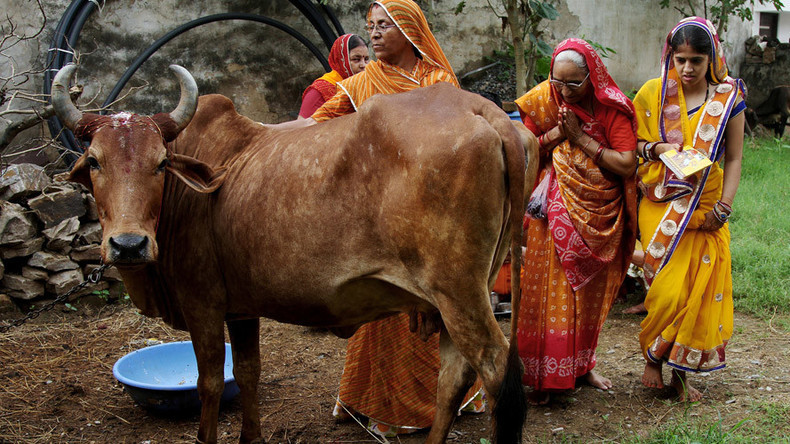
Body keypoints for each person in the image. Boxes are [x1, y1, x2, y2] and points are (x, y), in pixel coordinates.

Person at [283, 0, 482, 437]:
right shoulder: (364, 82)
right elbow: (316, 122)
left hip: (436, 208)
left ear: (409, 30)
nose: (372, 34)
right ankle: (388, 409)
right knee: (386, 310)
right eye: (369, 26)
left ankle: (447, 400)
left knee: (444, 304)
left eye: (384, 25)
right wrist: (263, 136)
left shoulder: (439, 81)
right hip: (384, 215)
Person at [514, 38, 638, 405]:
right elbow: (524, 147)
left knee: (587, 297)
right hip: (551, 210)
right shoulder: (544, 100)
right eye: (558, 82)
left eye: (574, 83)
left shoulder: (612, 108)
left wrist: (582, 139)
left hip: (600, 215)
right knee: (548, 290)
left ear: (592, 78)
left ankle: (581, 368)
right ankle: (544, 375)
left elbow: (627, 163)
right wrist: (558, 134)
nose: (565, 92)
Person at [634, 17, 744, 402]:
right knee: (667, 291)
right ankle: (653, 356)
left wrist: (725, 206)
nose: (687, 69)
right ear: (670, 56)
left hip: (709, 205)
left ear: (711, 58)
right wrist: (660, 150)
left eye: (696, 60)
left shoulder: (727, 99)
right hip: (662, 204)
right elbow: (634, 145)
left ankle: (680, 376)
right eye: (680, 59)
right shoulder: (652, 94)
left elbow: (733, 158)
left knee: (698, 292)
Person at [297, 34, 369, 119]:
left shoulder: (366, 87)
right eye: (356, 59)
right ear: (341, 60)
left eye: (366, 59)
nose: (363, 65)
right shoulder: (319, 91)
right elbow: (303, 128)